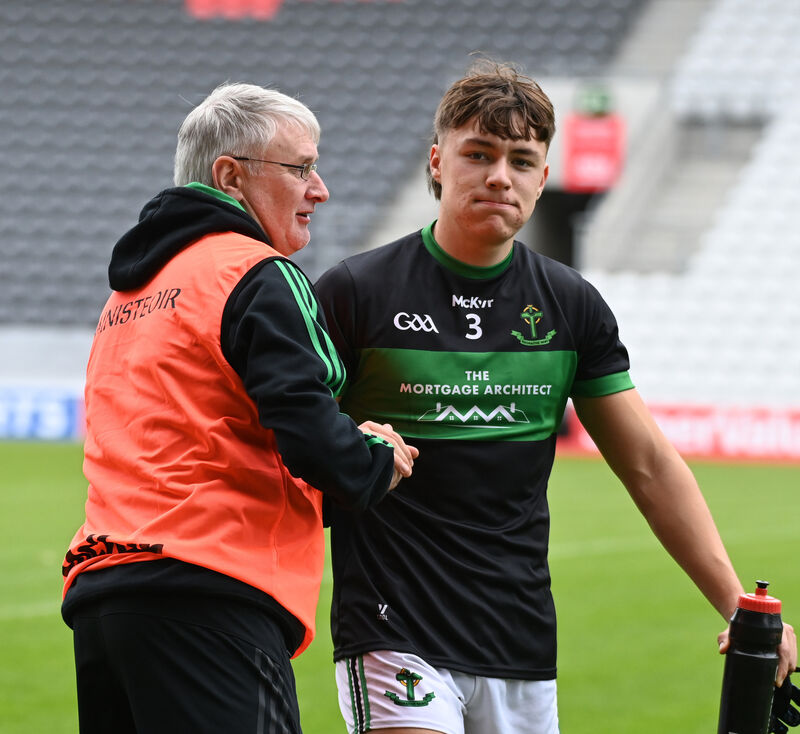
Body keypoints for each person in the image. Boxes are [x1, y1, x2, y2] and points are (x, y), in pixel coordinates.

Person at [314, 61, 797, 734]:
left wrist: (737, 605)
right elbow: (287, 438)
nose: (498, 176)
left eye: (521, 160)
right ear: (437, 161)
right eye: (477, 155)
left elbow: (649, 465)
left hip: (520, 646)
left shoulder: (571, 306)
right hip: (393, 634)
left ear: (543, 177)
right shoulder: (354, 294)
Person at [61, 81, 417, 734]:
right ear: (230, 176)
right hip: (208, 596)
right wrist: (374, 459)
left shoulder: (132, 294)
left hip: (105, 598)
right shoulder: (254, 272)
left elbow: (203, 440)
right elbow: (311, 437)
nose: (321, 189)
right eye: (302, 167)